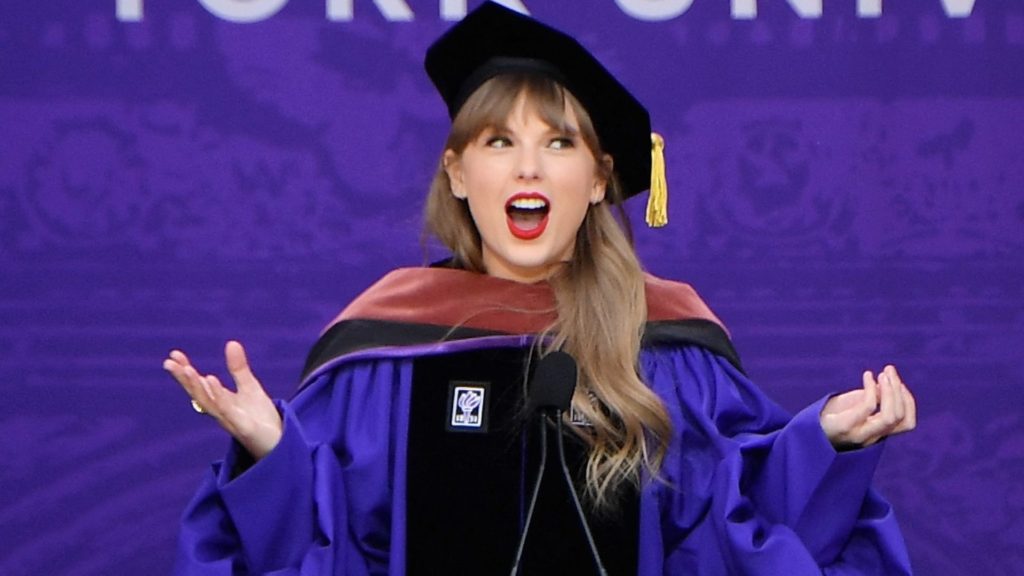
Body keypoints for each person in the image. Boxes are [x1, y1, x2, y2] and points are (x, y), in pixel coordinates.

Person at [163, 3, 917, 574]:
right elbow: (336, 540)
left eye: (559, 143)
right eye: (500, 142)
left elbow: (729, 523)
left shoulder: (668, 346)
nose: (528, 169)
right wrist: (271, 457)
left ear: (598, 180)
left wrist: (825, 443)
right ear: (459, 174)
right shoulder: (383, 352)